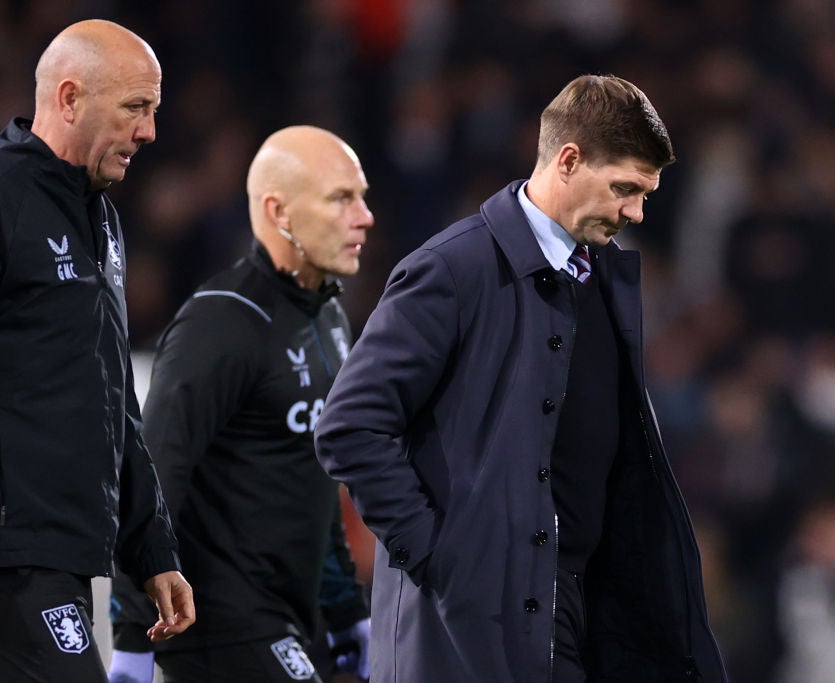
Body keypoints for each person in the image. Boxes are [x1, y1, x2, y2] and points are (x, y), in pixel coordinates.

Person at [314, 74, 728, 682]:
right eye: (625, 188)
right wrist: (439, 556)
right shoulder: (452, 269)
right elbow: (349, 425)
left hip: (575, 610)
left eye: (646, 194)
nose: (636, 211)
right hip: (473, 625)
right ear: (568, 160)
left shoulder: (604, 275)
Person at [107, 125, 373, 683]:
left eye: (362, 196)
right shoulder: (223, 321)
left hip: (291, 619)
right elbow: (153, 476)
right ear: (279, 212)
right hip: (219, 625)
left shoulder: (327, 316)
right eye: (341, 198)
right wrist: (134, 638)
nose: (364, 216)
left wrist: (347, 611)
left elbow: (314, 483)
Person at [0, 19, 195, 683]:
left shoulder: (101, 218)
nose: (150, 132)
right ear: (69, 97)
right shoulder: (5, 198)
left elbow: (114, 399)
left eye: (154, 109)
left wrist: (152, 552)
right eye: (135, 108)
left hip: (61, 559)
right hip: (15, 556)